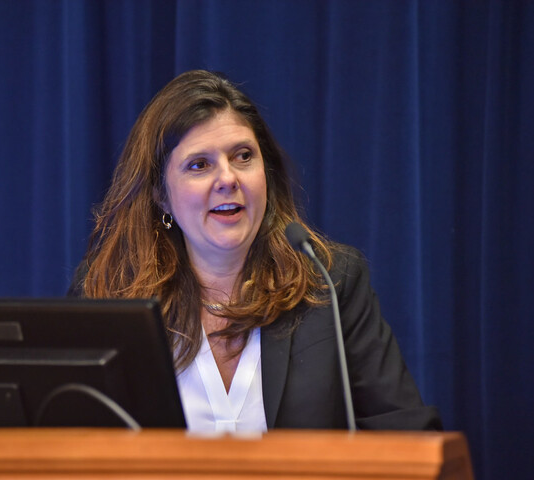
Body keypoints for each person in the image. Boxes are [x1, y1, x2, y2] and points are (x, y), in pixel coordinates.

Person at [68, 70, 442, 432]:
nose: (228, 179)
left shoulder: (328, 282)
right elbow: (67, 442)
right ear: (160, 195)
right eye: (200, 165)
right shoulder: (109, 293)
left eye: (243, 156)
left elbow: (405, 434)